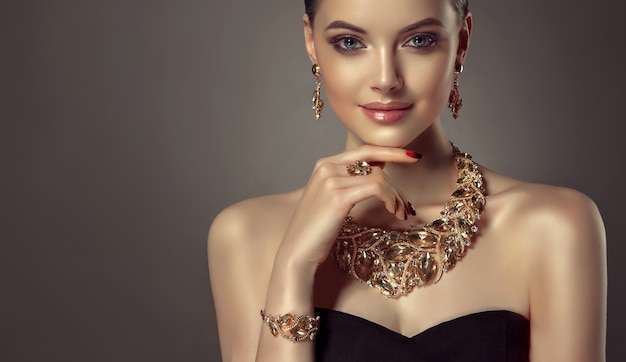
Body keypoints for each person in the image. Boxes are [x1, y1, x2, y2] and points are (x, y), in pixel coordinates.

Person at [208, 0, 607, 360]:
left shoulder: (555, 226)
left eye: (419, 40)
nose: (385, 79)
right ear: (312, 43)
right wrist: (293, 266)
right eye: (349, 42)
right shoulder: (246, 234)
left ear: (461, 42)